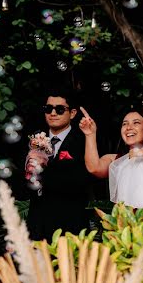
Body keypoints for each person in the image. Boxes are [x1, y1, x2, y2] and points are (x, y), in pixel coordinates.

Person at [25, 90, 93, 241]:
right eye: (48, 109)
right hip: (37, 225)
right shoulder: (34, 139)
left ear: (73, 113)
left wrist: (44, 170)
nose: (53, 113)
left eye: (60, 109)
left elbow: (81, 181)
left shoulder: (83, 140)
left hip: (70, 226)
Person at [78, 108, 143, 205]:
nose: (129, 127)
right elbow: (94, 167)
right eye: (124, 124)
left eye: (136, 123)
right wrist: (90, 134)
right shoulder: (116, 159)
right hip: (123, 218)